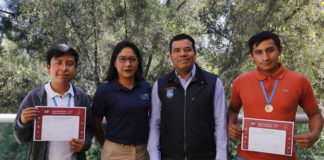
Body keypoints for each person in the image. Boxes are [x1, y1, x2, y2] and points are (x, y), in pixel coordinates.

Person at [227, 31, 324, 160]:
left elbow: (315, 115)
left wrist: (314, 135)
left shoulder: (299, 81)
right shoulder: (240, 82)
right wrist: (230, 126)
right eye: (259, 52)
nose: (265, 57)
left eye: (270, 50)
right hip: (245, 156)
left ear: (280, 50)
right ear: (252, 56)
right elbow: (233, 110)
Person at [147, 34, 228, 160]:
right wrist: (154, 156)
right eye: (177, 50)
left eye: (187, 49)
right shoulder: (161, 84)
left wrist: (221, 157)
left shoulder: (213, 83)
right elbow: (154, 124)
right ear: (171, 57)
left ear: (195, 54)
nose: (182, 54)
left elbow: (220, 125)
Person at [13, 44, 94, 160]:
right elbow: (20, 138)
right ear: (48, 68)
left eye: (69, 64)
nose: (64, 68)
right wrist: (22, 122)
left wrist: (84, 143)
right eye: (58, 63)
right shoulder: (34, 97)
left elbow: (89, 130)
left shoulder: (82, 98)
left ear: (75, 68)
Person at [92, 40, 150, 160]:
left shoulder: (146, 87)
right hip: (115, 153)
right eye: (122, 59)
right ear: (114, 62)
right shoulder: (104, 90)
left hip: (143, 151)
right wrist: (106, 145)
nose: (128, 64)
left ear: (138, 62)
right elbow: (95, 124)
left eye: (132, 59)